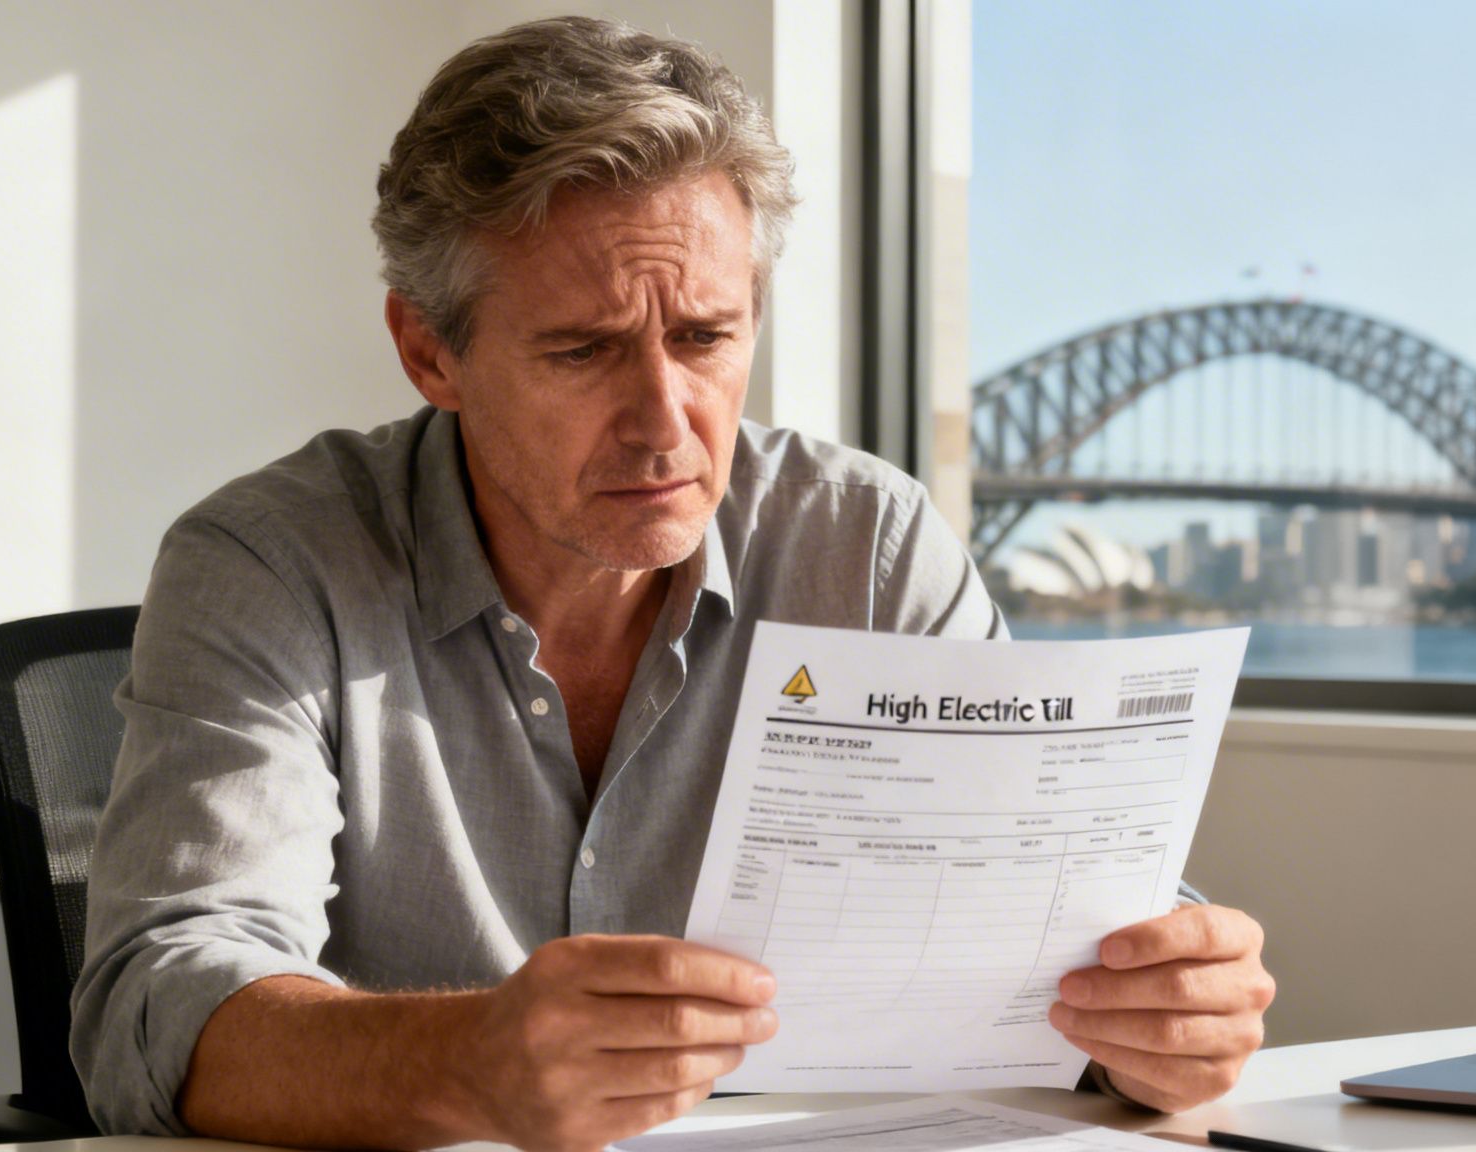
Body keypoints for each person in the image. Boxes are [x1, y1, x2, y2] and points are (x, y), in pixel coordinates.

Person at [72, 15, 1275, 1152]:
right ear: (429, 349)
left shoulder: (867, 545)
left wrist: (1155, 1027)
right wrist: (468, 1061)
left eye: (705, 338)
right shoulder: (271, 565)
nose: (665, 426)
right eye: (583, 350)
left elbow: (1049, 932)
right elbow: (161, 1002)